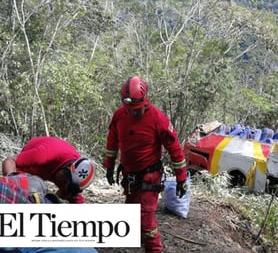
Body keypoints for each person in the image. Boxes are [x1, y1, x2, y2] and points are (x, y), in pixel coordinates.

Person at [103, 75, 188, 253]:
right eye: (131, 110)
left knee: (147, 220)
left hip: (149, 176)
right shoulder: (120, 115)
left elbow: (175, 149)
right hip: (129, 176)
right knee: (133, 214)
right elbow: (112, 141)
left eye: (137, 109)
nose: (134, 113)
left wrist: (181, 177)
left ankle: (155, 249)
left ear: (145, 100)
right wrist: (109, 165)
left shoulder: (158, 119)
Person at [2, 136, 95, 203]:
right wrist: (11, 184)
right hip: (33, 165)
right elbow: (9, 161)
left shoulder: (71, 179)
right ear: (64, 171)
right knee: (30, 188)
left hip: (56, 171)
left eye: (67, 185)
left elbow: (76, 199)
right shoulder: (42, 155)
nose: (63, 186)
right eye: (64, 181)